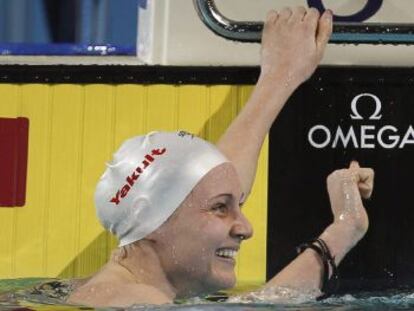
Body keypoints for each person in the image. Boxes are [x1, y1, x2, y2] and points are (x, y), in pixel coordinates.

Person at [64, 6, 375, 307]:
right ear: (152, 221)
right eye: (221, 208)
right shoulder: (131, 301)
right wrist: (342, 232)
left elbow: (207, 184)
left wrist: (279, 76)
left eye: (236, 204)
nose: (246, 228)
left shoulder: (114, 290)